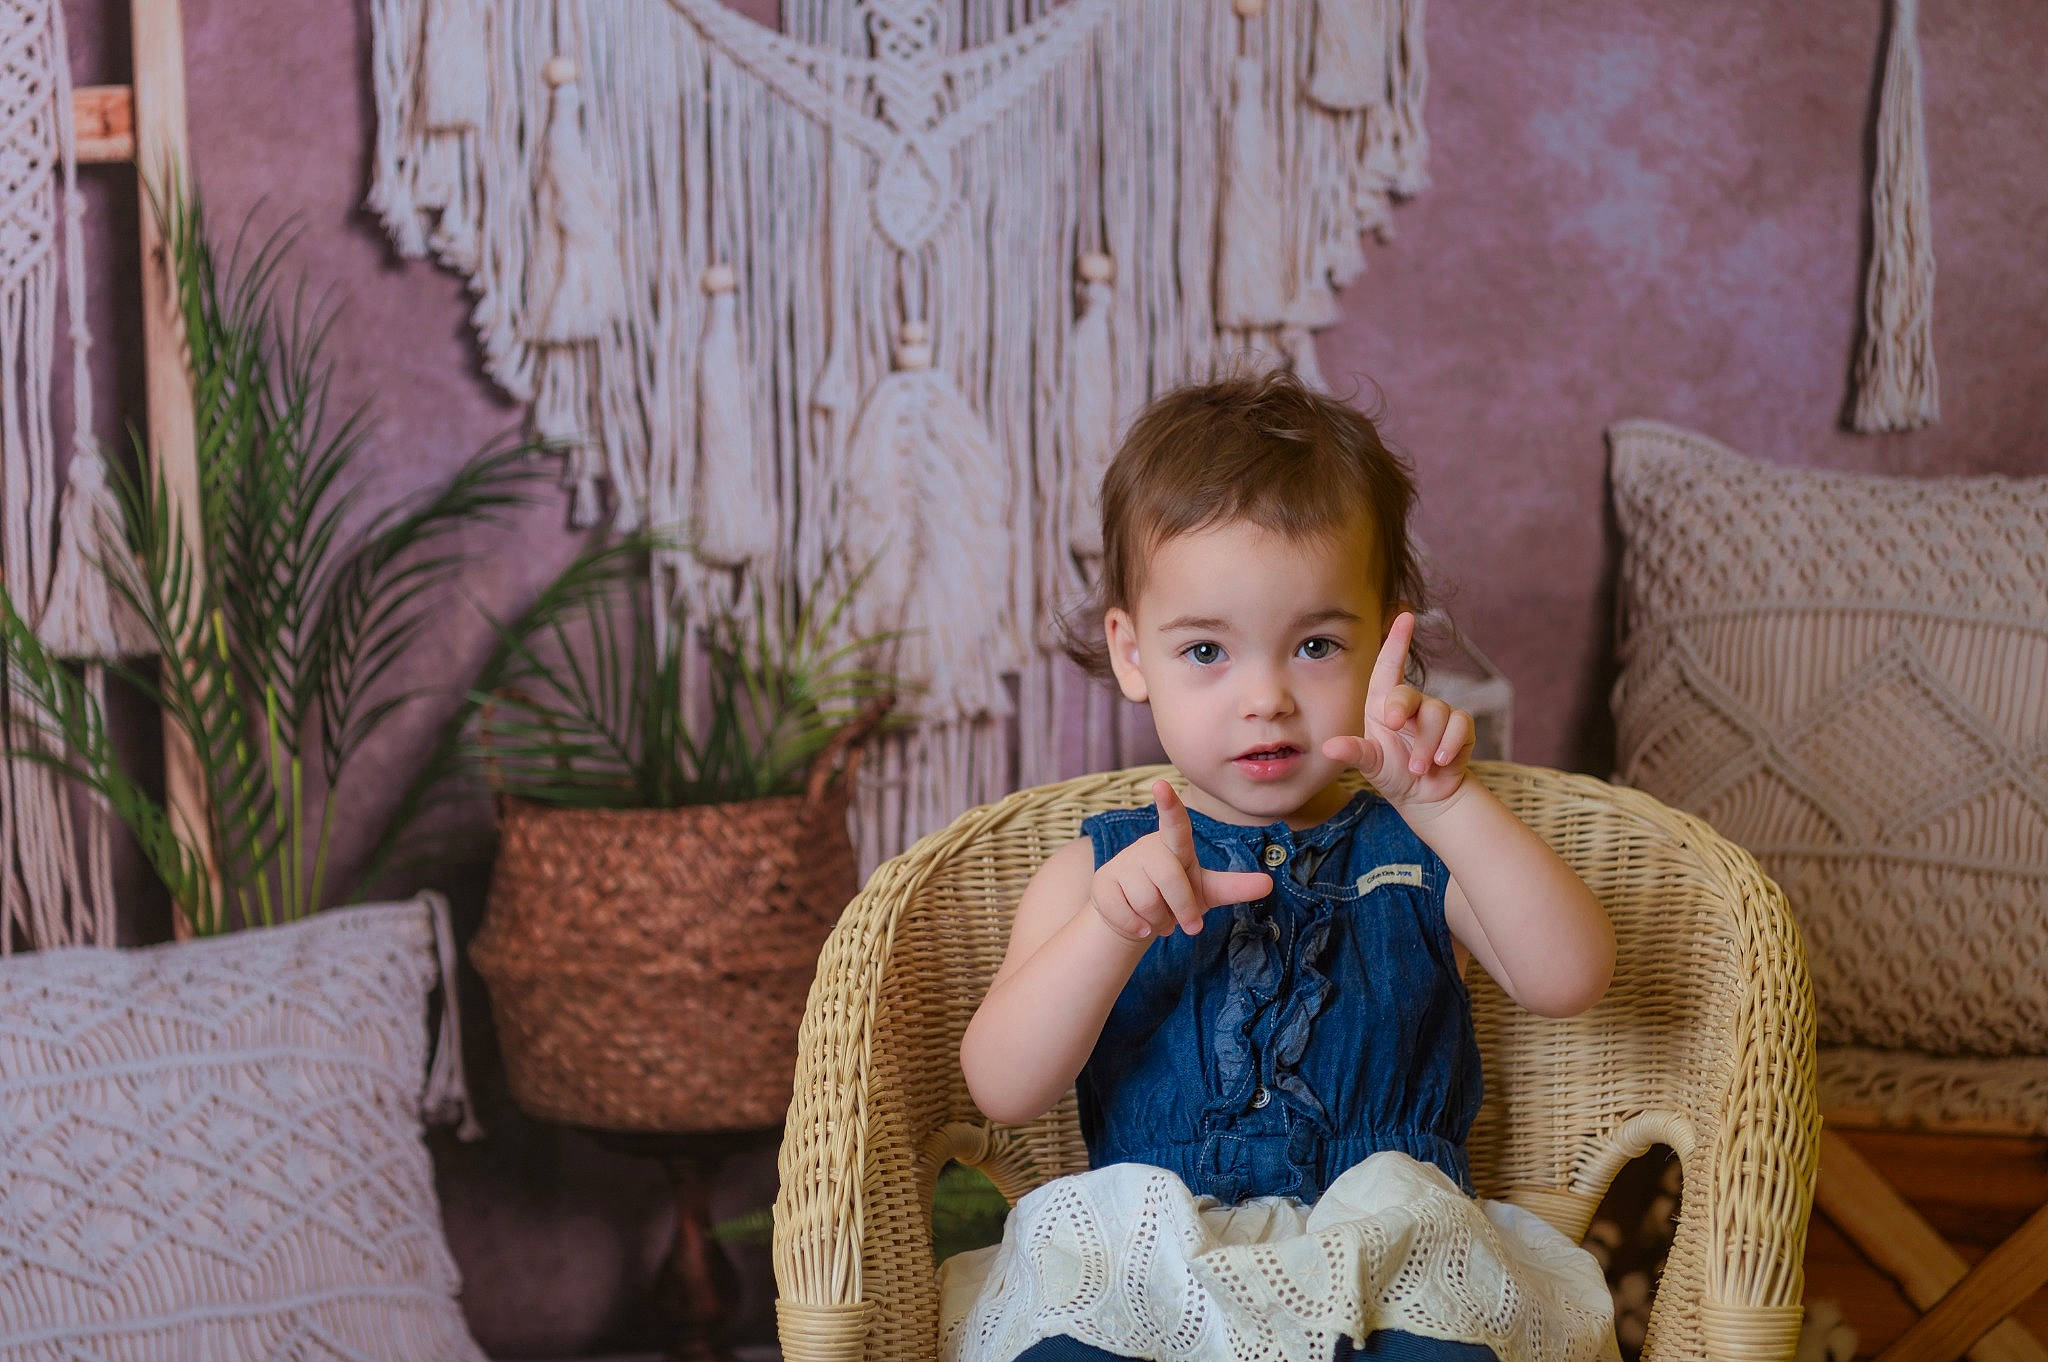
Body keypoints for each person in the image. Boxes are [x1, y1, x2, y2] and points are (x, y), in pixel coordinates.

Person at [941, 370, 1622, 1362]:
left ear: (1387, 640)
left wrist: (1443, 802)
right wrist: (1107, 927)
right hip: (1152, 1266)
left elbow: (1568, 977)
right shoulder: (1095, 870)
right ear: (1131, 654)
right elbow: (1000, 1086)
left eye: (1311, 645)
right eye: (1206, 651)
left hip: (1389, 1250)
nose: (1263, 697)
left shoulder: (1418, 847)